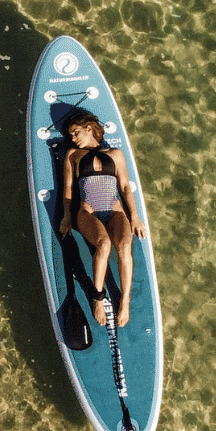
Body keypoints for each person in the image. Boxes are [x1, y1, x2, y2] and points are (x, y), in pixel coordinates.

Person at [58, 109, 147, 327]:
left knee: (125, 246)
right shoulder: (72, 155)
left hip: (115, 210)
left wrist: (135, 217)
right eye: (70, 134)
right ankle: (98, 298)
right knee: (104, 244)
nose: (73, 138)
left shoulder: (115, 154)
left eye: (76, 132)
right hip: (88, 211)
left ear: (89, 129)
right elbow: (68, 188)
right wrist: (67, 216)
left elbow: (125, 187)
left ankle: (124, 300)